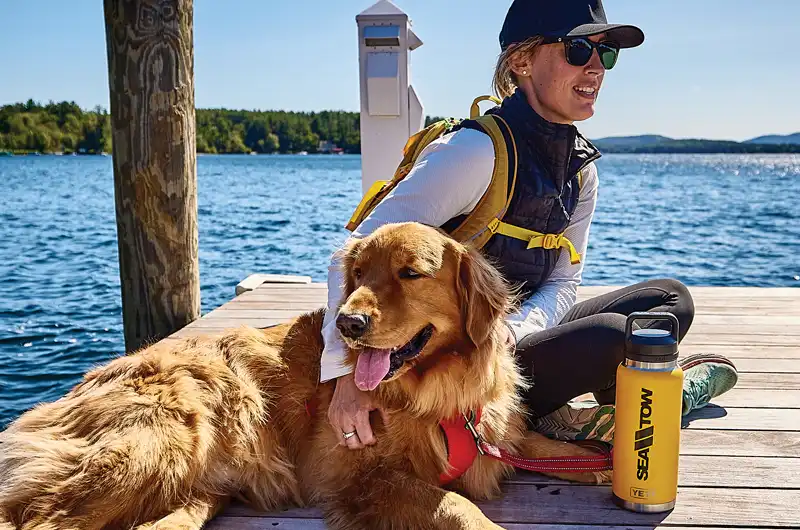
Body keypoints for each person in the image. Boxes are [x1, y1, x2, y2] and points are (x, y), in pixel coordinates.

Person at [319, 0, 738, 450]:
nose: (596, 68)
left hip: (512, 337)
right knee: (617, 337)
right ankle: (639, 404)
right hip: (466, 355)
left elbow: (563, 278)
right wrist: (346, 375)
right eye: (579, 50)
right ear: (521, 61)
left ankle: (598, 410)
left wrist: (517, 330)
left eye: (607, 54)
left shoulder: (581, 168)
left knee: (672, 300)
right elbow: (357, 249)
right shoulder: (475, 152)